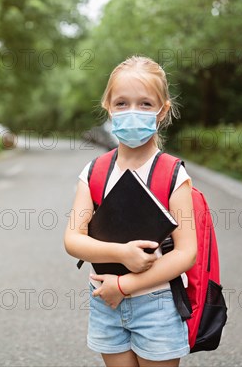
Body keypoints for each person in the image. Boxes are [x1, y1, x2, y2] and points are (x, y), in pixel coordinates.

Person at [64, 56, 197, 367]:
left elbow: (186, 253)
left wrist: (125, 286)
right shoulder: (94, 172)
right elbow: (72, 239)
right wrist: (121, 253)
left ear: (162, 111)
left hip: (157, 303)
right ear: (108, 106)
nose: (132, 112)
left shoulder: (172, 175)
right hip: (105, 302)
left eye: (145, 104)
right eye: (122, 103)